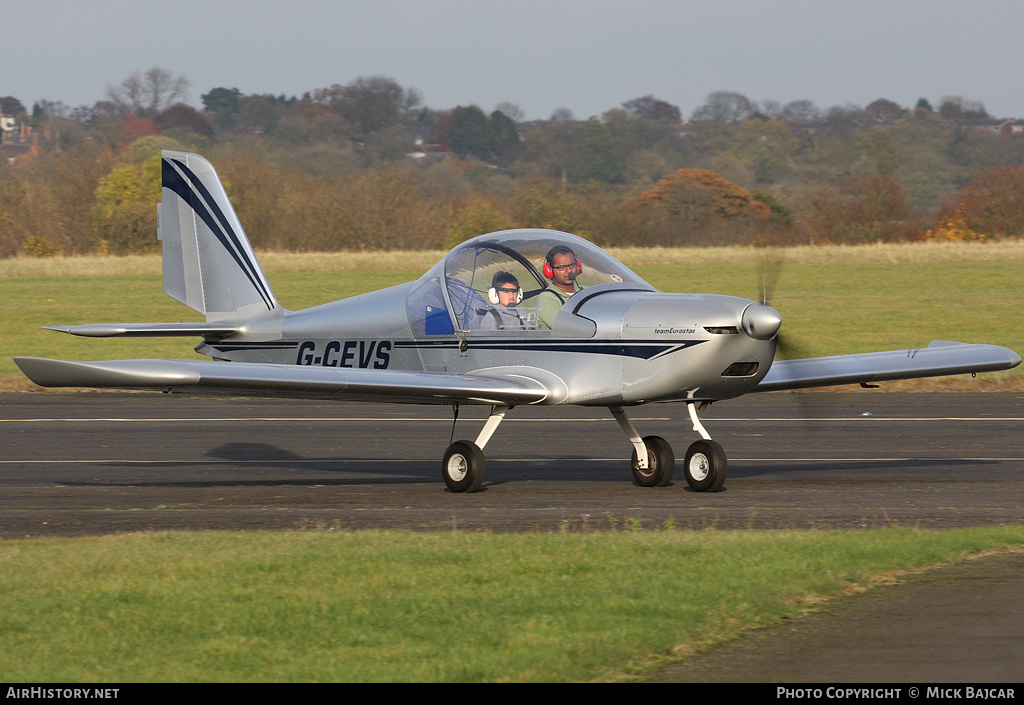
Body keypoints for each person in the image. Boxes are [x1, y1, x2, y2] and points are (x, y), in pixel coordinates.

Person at [536, 245, 584, 330]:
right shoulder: (546, 299)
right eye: (562, 267)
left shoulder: (587, 291)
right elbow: (570, 329)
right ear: (549, 270)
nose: (569, 271)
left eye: (572, 265)